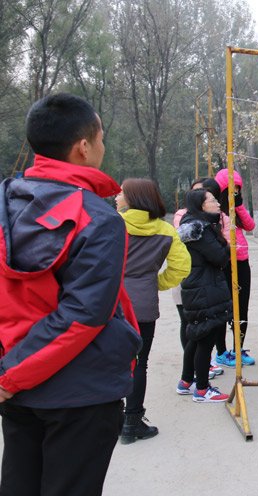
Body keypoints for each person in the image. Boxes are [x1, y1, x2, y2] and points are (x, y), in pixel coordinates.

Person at [0, 93, 142, 495]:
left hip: (16, 382)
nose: (102, 146)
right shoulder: (97, 218)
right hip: (77, 389)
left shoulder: (8, 201)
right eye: (101, 138)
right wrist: (11, 376)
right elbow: (84, 315)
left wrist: (9, 373)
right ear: (83, 146)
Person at [116, 178, 190, 443]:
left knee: (110, 361)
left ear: (133, 198)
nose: (116, 196)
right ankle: (132, 423)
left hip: (111, 303)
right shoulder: (165, 230)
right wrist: (155, 283)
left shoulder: (112, 224)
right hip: (144, 305)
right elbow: (181, 267)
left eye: (121, 193)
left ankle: (111, 419)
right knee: (139, 362)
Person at [176, 189, 231, 403]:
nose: (218, 204)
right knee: (206, 338)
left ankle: (186, 381)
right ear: (201, 205)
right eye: (213, 200)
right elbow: (219, 257)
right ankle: (202, 389)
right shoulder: (200, 229)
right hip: (204, 289)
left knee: (196, 336)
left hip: (198, 287)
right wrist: (228, 243)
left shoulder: (193, 226)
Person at [215, 169, 257, 367]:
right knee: (222, 309)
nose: (234, 193)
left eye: (237, 189)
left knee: (242, 307)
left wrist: (239, 206)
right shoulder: (216, 211)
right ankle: (221, 351)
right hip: (223, 263)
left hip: (242, 262)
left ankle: (238, 348)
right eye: (231, 189)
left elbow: (250, 226)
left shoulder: (237, 209)